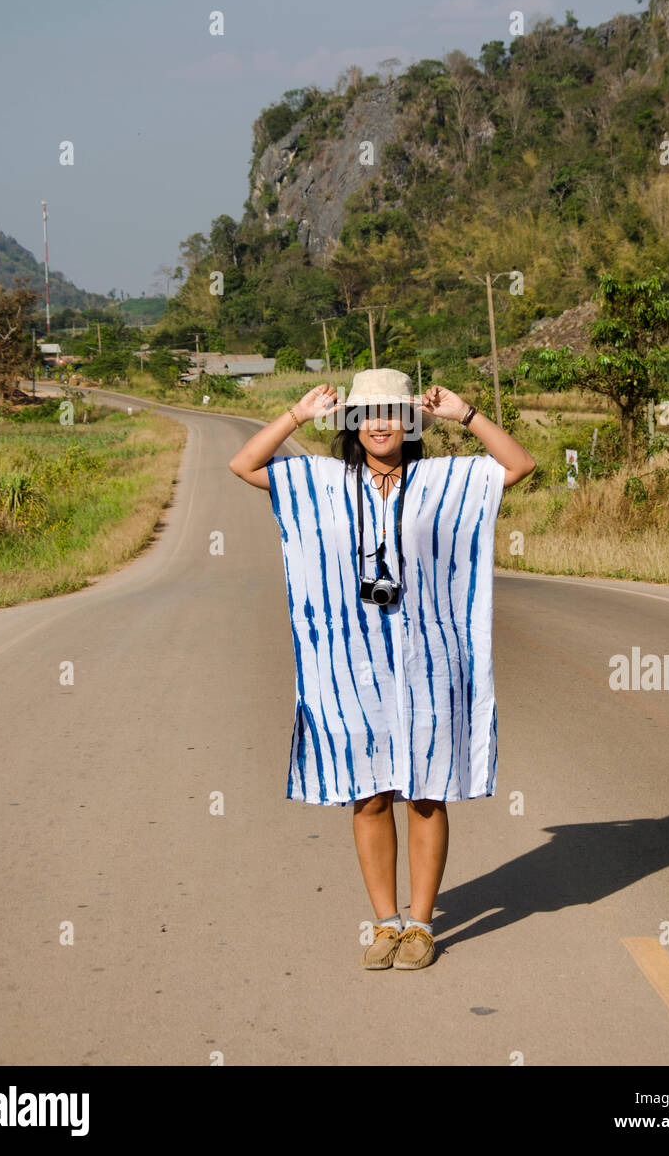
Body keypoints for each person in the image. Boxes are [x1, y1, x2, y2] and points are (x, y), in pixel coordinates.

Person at [228, 369, 536, 970]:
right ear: (350, 424)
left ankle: (421, 925)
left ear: (411, 421)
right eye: (367, 413)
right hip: (350, 662)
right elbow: (244, 465)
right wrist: (296, 414)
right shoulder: (322, 482)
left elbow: (518, 466)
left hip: (427, 658)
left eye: (393, 412)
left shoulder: (441, 481)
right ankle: (384, 922)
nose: (379, 423)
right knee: (368, 793)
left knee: (425, 792)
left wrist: (466, 413)